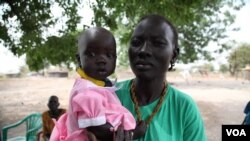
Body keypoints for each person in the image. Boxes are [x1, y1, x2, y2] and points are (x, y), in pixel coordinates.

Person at [90, 14, 207, 141]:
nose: (143, 50)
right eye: (136, 43)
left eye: (158, 43)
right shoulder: (107, 96)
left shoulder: (184, 107)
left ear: (174, 55)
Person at [50, 27, 136, 141]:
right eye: (91, 54)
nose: (102, 60)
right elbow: (98, 130)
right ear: (79, 59)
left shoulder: (99, 85)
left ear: (115, 59)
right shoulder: (87, 91)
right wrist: (133, 132)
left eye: (109, 55)